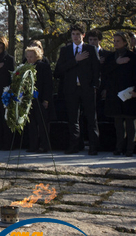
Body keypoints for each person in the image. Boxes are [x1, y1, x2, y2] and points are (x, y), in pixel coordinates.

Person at [54, 23, 101, 155]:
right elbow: (58, 71)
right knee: (73, 119)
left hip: (87, 89)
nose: (75, 37)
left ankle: (93, 146)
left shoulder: (90, 49)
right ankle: (74, 145)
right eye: (73, 34)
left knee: (91, 118)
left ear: (83, 35)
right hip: (71, 90)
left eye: (78, 34)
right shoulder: (65, 51)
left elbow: (96, 70)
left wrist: (94, 86)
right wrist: (75, 60)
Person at [102, 32, 136, 156]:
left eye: (118, 41)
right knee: (118, 123)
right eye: (114, 41)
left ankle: (130, 149)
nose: (115, 43)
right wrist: (117, 62)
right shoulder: (111, 57)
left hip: (128, 93)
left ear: (125, 42)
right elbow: (104, 72)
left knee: (130, 123)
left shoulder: (132, 56)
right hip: (115, 94)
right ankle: (119, 147)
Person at [24, 46, 53, 152]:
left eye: (31, 57)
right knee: (31, 123)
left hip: (40, 98)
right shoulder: (25, 67)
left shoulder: (43, 66)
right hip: (29, 99)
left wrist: (46, 99)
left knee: (42, 124)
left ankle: (44, 145)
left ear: (37, 56)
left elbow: (48, 84)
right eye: (27, 57)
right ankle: (33, 145)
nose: (29, 59)